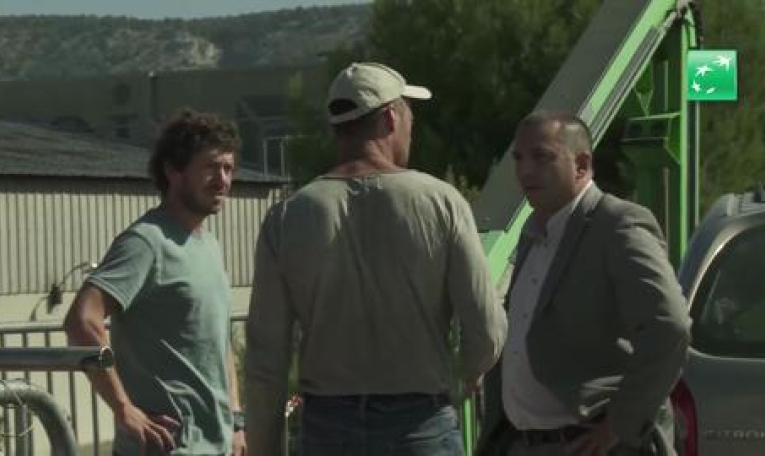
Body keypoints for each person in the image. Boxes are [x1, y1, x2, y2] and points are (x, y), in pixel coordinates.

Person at [245, 62, 508, 456]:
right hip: (420, 424)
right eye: (409, 115)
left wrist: (266, 448)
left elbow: (266, 357)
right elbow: (486, 328)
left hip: (328, 429)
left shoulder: (288, 215)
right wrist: (460, 378)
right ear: (390, 118)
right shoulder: (440, 201)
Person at [477, 111, 691, 456]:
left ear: (581, 164)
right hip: (524, 441)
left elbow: (669, 326)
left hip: (587, 443)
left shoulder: (617, 224)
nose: (525, 170)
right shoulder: (535, 230)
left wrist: (620, 426)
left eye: (542, 157)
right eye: (518, 158)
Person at [64, 109, 246, 456]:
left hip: (216, 446)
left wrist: (235, 420)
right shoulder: (146, 243)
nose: (222, 180)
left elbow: (217, 342)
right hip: (164, 447)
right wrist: (124, 408)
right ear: (173, 170)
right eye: (211, 167)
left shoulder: (209, 245)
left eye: (228, 168)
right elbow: (81, 320)